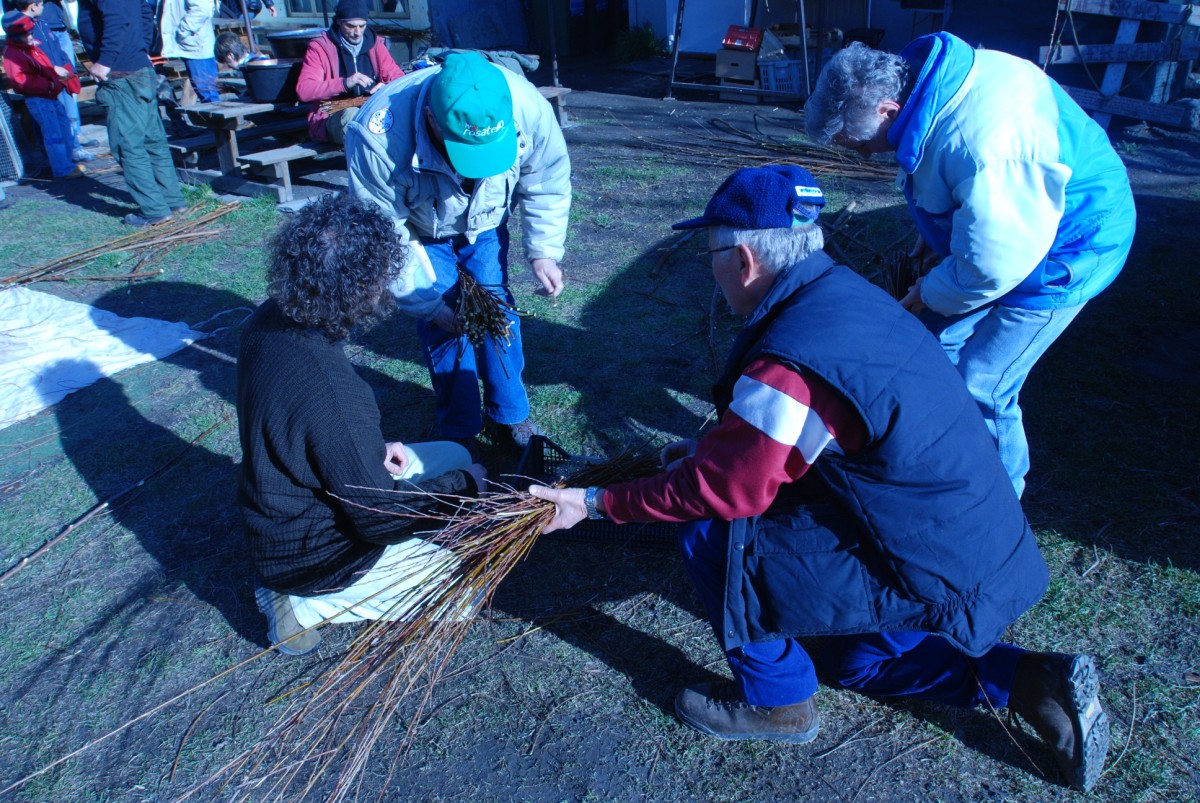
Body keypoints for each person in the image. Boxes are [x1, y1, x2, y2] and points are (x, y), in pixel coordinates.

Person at [530, 166, 1110, 792]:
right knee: (855, 661)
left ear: (744, 259)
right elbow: (819, 431)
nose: (712, 271)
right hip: (967, 540)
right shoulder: (843, 296)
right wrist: (708, 449)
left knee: (712, 533)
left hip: (921, 562)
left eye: (711, 255)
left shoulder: (790, 359)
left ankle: (777, 703)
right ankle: (1031, 682)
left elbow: (725, 490)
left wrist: (593, 501)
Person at [804, 33, 1137, 497]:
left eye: (857, 144)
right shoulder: (934, 88)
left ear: (887, 110)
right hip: (1018, 227)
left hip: (1072, 248)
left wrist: (930, 290)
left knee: (984, 379)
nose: (861, 154)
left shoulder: (985, 146)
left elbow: (993, 264)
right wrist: (935, 231)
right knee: (936, 347)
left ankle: (997, 501)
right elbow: (962, 188)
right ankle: (940, 452)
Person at [238, 194, 487, 656]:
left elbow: (307, 431)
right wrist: (465, 486)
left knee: (454, 453)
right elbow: (377, 518)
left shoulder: (269, 318)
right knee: (464, 590)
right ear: (360, 288)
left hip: (284, 506)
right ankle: (302, 603)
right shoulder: (333, 391)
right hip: (312, 555)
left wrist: (368, 451)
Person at [346, 51, 571, 450]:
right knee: (446, 321)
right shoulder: (377, 136)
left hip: (486, 223)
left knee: (497, 311)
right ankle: (459, 427)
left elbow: (546, 180)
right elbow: (383, 232)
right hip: (420, 232)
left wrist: (543, 251)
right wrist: (427, 304)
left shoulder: (527, 106)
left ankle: (511, 414)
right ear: (431, 119)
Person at [76, 0, 188, 226]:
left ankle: (155, 210)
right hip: (137, 67)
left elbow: (118, 19)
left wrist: (105, 61)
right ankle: (172, 200)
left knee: (129, 146)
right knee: (152, 140)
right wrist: (142, 49)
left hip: (121, 74)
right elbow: (145, 14)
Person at [295, 0, 404, 144]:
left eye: (362, 26)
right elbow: (305, 90)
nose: (357, 32)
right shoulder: (320, 48)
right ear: (339, 22)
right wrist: (345, 83)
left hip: (370, 109)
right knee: (352, 117)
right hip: (333, 114)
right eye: (351, 26)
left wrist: (386, 87)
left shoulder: (376, 45)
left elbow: (400, 79)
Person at [1, 10, 86, 180]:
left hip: (50, 95)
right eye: (26, 34)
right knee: (53, 135)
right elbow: (20, 81)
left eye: (31, 33)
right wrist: (49, 84)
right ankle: (62, 169)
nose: (31, 37)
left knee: (64, 129)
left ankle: (68, 163)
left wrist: (55, 76)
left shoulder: (30, 48)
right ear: (15, 36)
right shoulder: (13, 54)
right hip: (39, 98)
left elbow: (44, 66)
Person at [159, 0, 220, 103]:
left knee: (207, 93)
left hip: (197, 45)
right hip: (190, 43)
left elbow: (202, 9)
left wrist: (183, 30)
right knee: (204, 91)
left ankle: (217, 113)